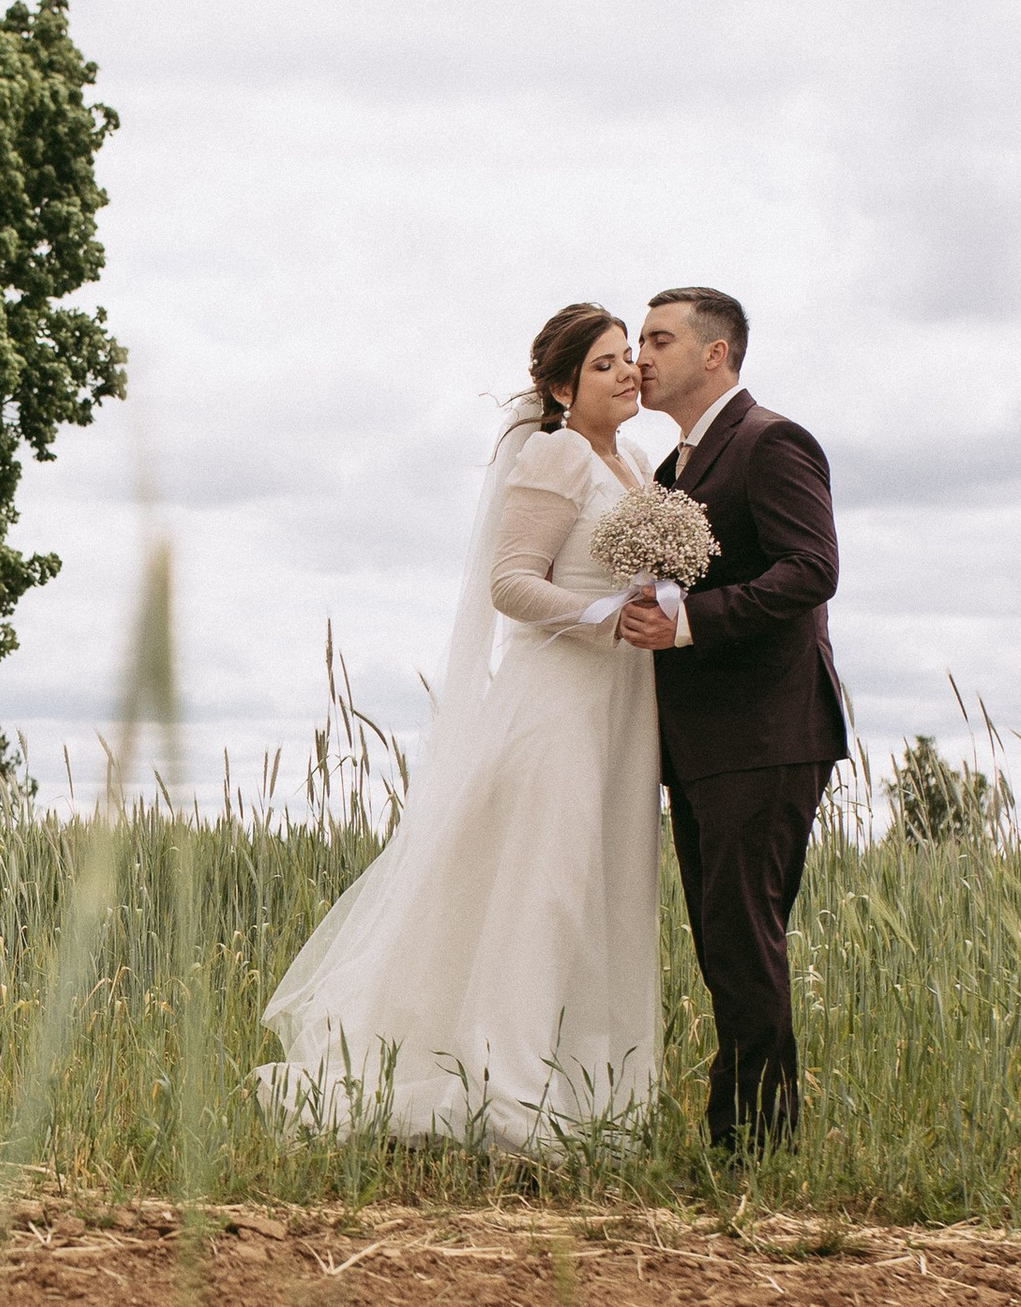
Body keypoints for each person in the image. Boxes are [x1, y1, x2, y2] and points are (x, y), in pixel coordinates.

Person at [258, 302, 664, 1151]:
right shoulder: (556, 456)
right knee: (542, 889)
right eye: (603, 363)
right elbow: (511, 583)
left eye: (629, 356)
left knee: (599, 890)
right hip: (559, 701)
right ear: (559, 387)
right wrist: (605, 613)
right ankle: (504, 1086)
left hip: (625, 705)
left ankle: (584, 1087)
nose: (628, 371)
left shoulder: (633, 461)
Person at [617, 288, 846, 1146]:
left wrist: (689, 623)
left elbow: (811, 570)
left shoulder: (770, 441)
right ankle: (740, 1138)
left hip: (767, 734)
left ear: (716, 354)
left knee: (744, 941)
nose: (641, 355)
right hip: (704, 744)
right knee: (724, 944)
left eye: (659, 339)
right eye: (639, 340)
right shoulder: (674, 470)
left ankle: (756, 1146)